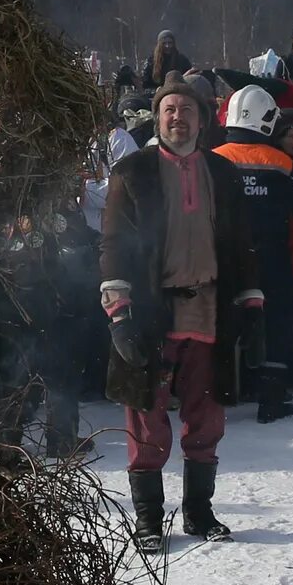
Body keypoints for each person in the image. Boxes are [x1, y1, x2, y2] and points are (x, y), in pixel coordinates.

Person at [97, 77, 262, 552]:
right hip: (152, 310)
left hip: (209, 307)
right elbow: (113, 246)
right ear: (158, 115)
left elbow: (242, 244)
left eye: (186, 110)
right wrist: (120, 314)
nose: (177, 117)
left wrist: (250, 301)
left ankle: (198, 512)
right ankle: (148, 519)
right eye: (169, 109)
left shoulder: (223, 173)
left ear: (202, 119)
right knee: (147, 418)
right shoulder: (133, 172)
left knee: (205, 416)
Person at [212, 86, 293, 423]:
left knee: (220, 324)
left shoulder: (212, 159)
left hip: (223, 259)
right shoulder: (282, 164)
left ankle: (216, 396)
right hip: (271, 259)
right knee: (277, 325)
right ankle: (272, 399)